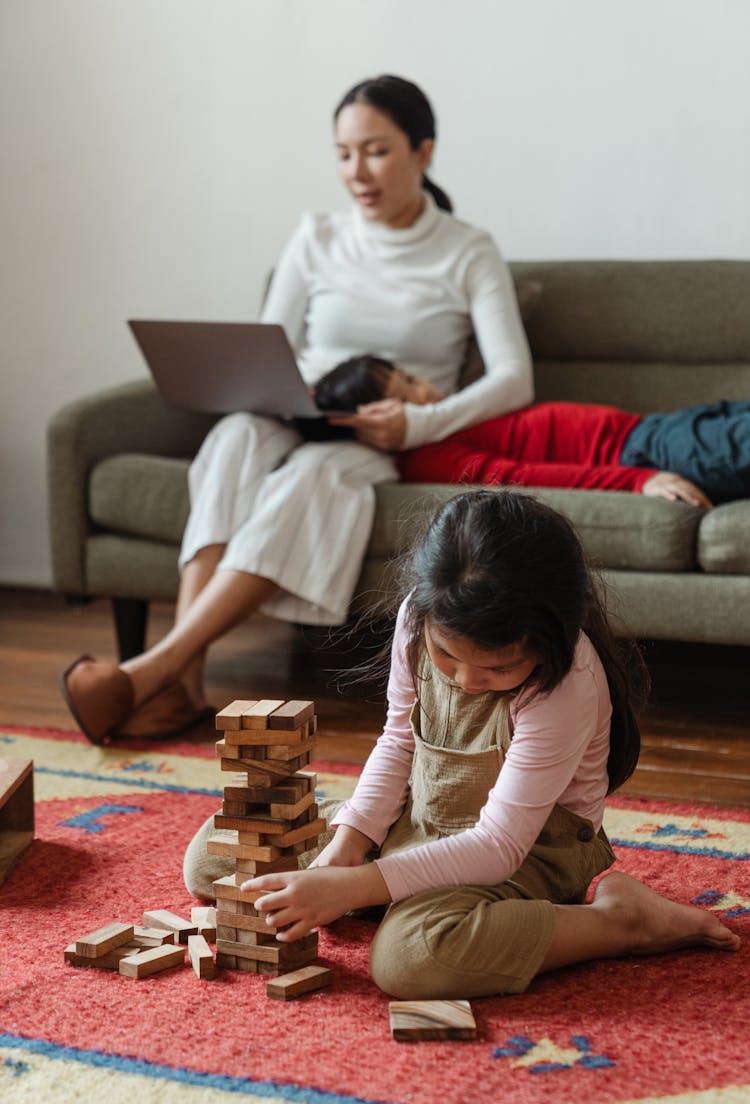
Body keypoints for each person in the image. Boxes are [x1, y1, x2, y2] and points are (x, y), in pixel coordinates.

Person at [59, 74, 533, 743]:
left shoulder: (466, 249)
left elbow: (515, 378)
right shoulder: (315, 236)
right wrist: (274, 394)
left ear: (424, 152)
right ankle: (183, 685)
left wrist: (416, 422)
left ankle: (150, 674)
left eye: (375, 151)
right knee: (232, 439)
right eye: (343, 154)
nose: (355, 172)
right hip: (298, 406)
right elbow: (268, 342)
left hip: (380, 434)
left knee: (313, 477)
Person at [183, 490, 739, 1000]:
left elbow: (498, 846)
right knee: (214, 855)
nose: (467, 681)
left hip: (527, 853)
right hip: (421, 822)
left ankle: (618, 921)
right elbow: (398, 742)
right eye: (448, 657)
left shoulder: (568, 683)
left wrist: (351, 887)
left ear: (554, 637)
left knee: (411, 959)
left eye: (499, 667)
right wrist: (345, 848)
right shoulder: (416, 620)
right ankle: (396, 892)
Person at [314, 354, 750, 507]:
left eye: (409, 376)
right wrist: (640, 480)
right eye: (406, 391)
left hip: (656, 428)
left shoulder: (450, 418)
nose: (423, 387)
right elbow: (525, 479)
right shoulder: (429, 456)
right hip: (643, 452)